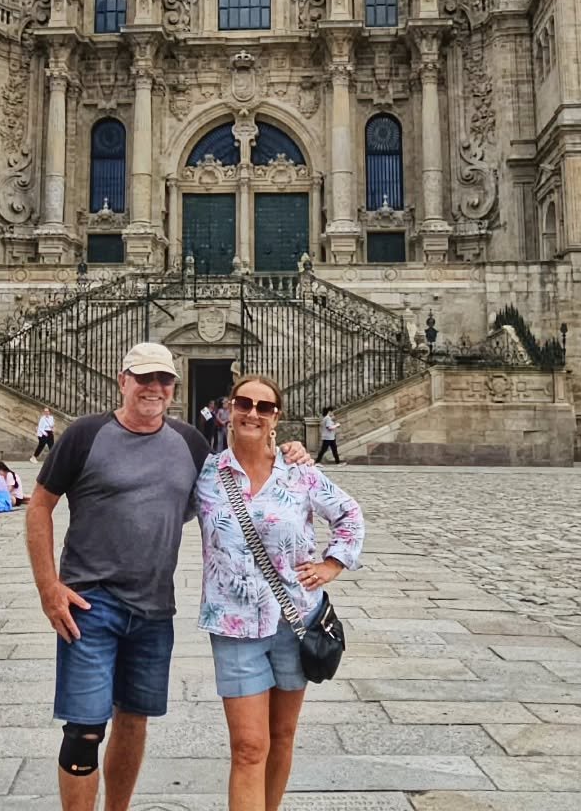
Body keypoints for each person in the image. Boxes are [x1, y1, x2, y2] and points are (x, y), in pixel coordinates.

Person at [27, 342, 311, 811]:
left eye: (163, 379)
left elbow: (240, 471)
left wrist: (287, 450)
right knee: (84, 731)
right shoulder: (84, 435)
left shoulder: (191, 443)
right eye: (143, 378)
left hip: (154, 609)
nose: (153, 388)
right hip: (89, 604)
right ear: (123, 380)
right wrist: (47, 587)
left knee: (134, 720)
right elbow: (39, 506)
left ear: (174, 388)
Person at [198, 378, 364, 811]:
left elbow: (349, 514)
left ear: (276, 416)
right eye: (243, 403)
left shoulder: (301, 472)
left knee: (282, 736)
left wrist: (332, 564)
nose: (252, 412)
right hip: (234, 624)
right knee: (249, 746)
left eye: (264, 406)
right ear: (228, 409)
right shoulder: (206, 474)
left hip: (296, 621)